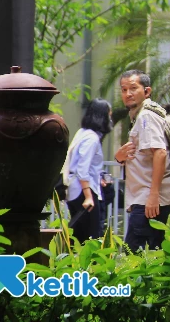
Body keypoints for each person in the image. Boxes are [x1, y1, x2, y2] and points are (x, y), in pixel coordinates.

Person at [115, 70, 170, 252]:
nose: (128, 93)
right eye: (124, 89)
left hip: (148, 200)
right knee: (153, 253)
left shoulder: (146, 117)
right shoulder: (140, 115)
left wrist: (153, 195)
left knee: (133, 254)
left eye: (133, 88)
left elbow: (160, 153)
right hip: (146, 198)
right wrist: (120, 158)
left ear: (147, 91)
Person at [66, 98, 113, 243]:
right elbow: (82, 168)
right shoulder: (91, 138)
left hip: (77, 189)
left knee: (80, 235)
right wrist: (88, 196)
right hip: (84, 191)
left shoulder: (83, 133)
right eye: (109, 115)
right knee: (90, 237)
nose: (110, 119)